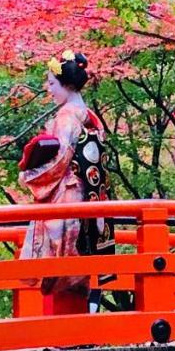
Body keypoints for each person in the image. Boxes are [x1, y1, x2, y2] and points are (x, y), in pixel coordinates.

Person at [18, 49, 114, 314]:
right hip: (92, 195)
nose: (48, 90)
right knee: (81, 263)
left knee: (63, 268)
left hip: (69, 195)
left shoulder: (66, 117)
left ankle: (65, 337)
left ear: (66, 84)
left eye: (51, 83)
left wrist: (28, 175)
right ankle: (78, 333)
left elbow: (60, 161)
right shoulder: (90, 116)